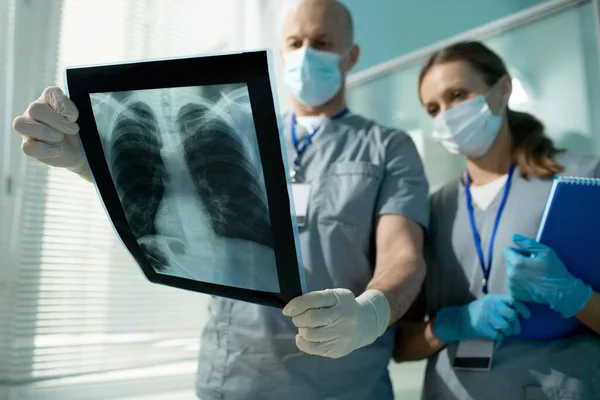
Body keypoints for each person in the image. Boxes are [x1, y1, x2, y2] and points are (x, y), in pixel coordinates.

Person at [13, 0, 429, 398]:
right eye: (295, 43)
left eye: (321, 43)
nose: (305, 53)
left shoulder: (388, 147)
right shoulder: (245, 126)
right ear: (282, 52)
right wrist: (90, 165)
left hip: (339, 385)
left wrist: (369, 314)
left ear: (350, 55)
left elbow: (403, 257)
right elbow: (163, 193)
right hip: (231, 376)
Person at [392, 41, 600, 399]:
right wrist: (451, 324)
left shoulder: (582, 181)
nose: (445, 115)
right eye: (432, 108)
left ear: (503, 88)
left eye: (457, 94)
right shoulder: (434, 209)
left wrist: (572, 296)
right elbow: (401, 348)